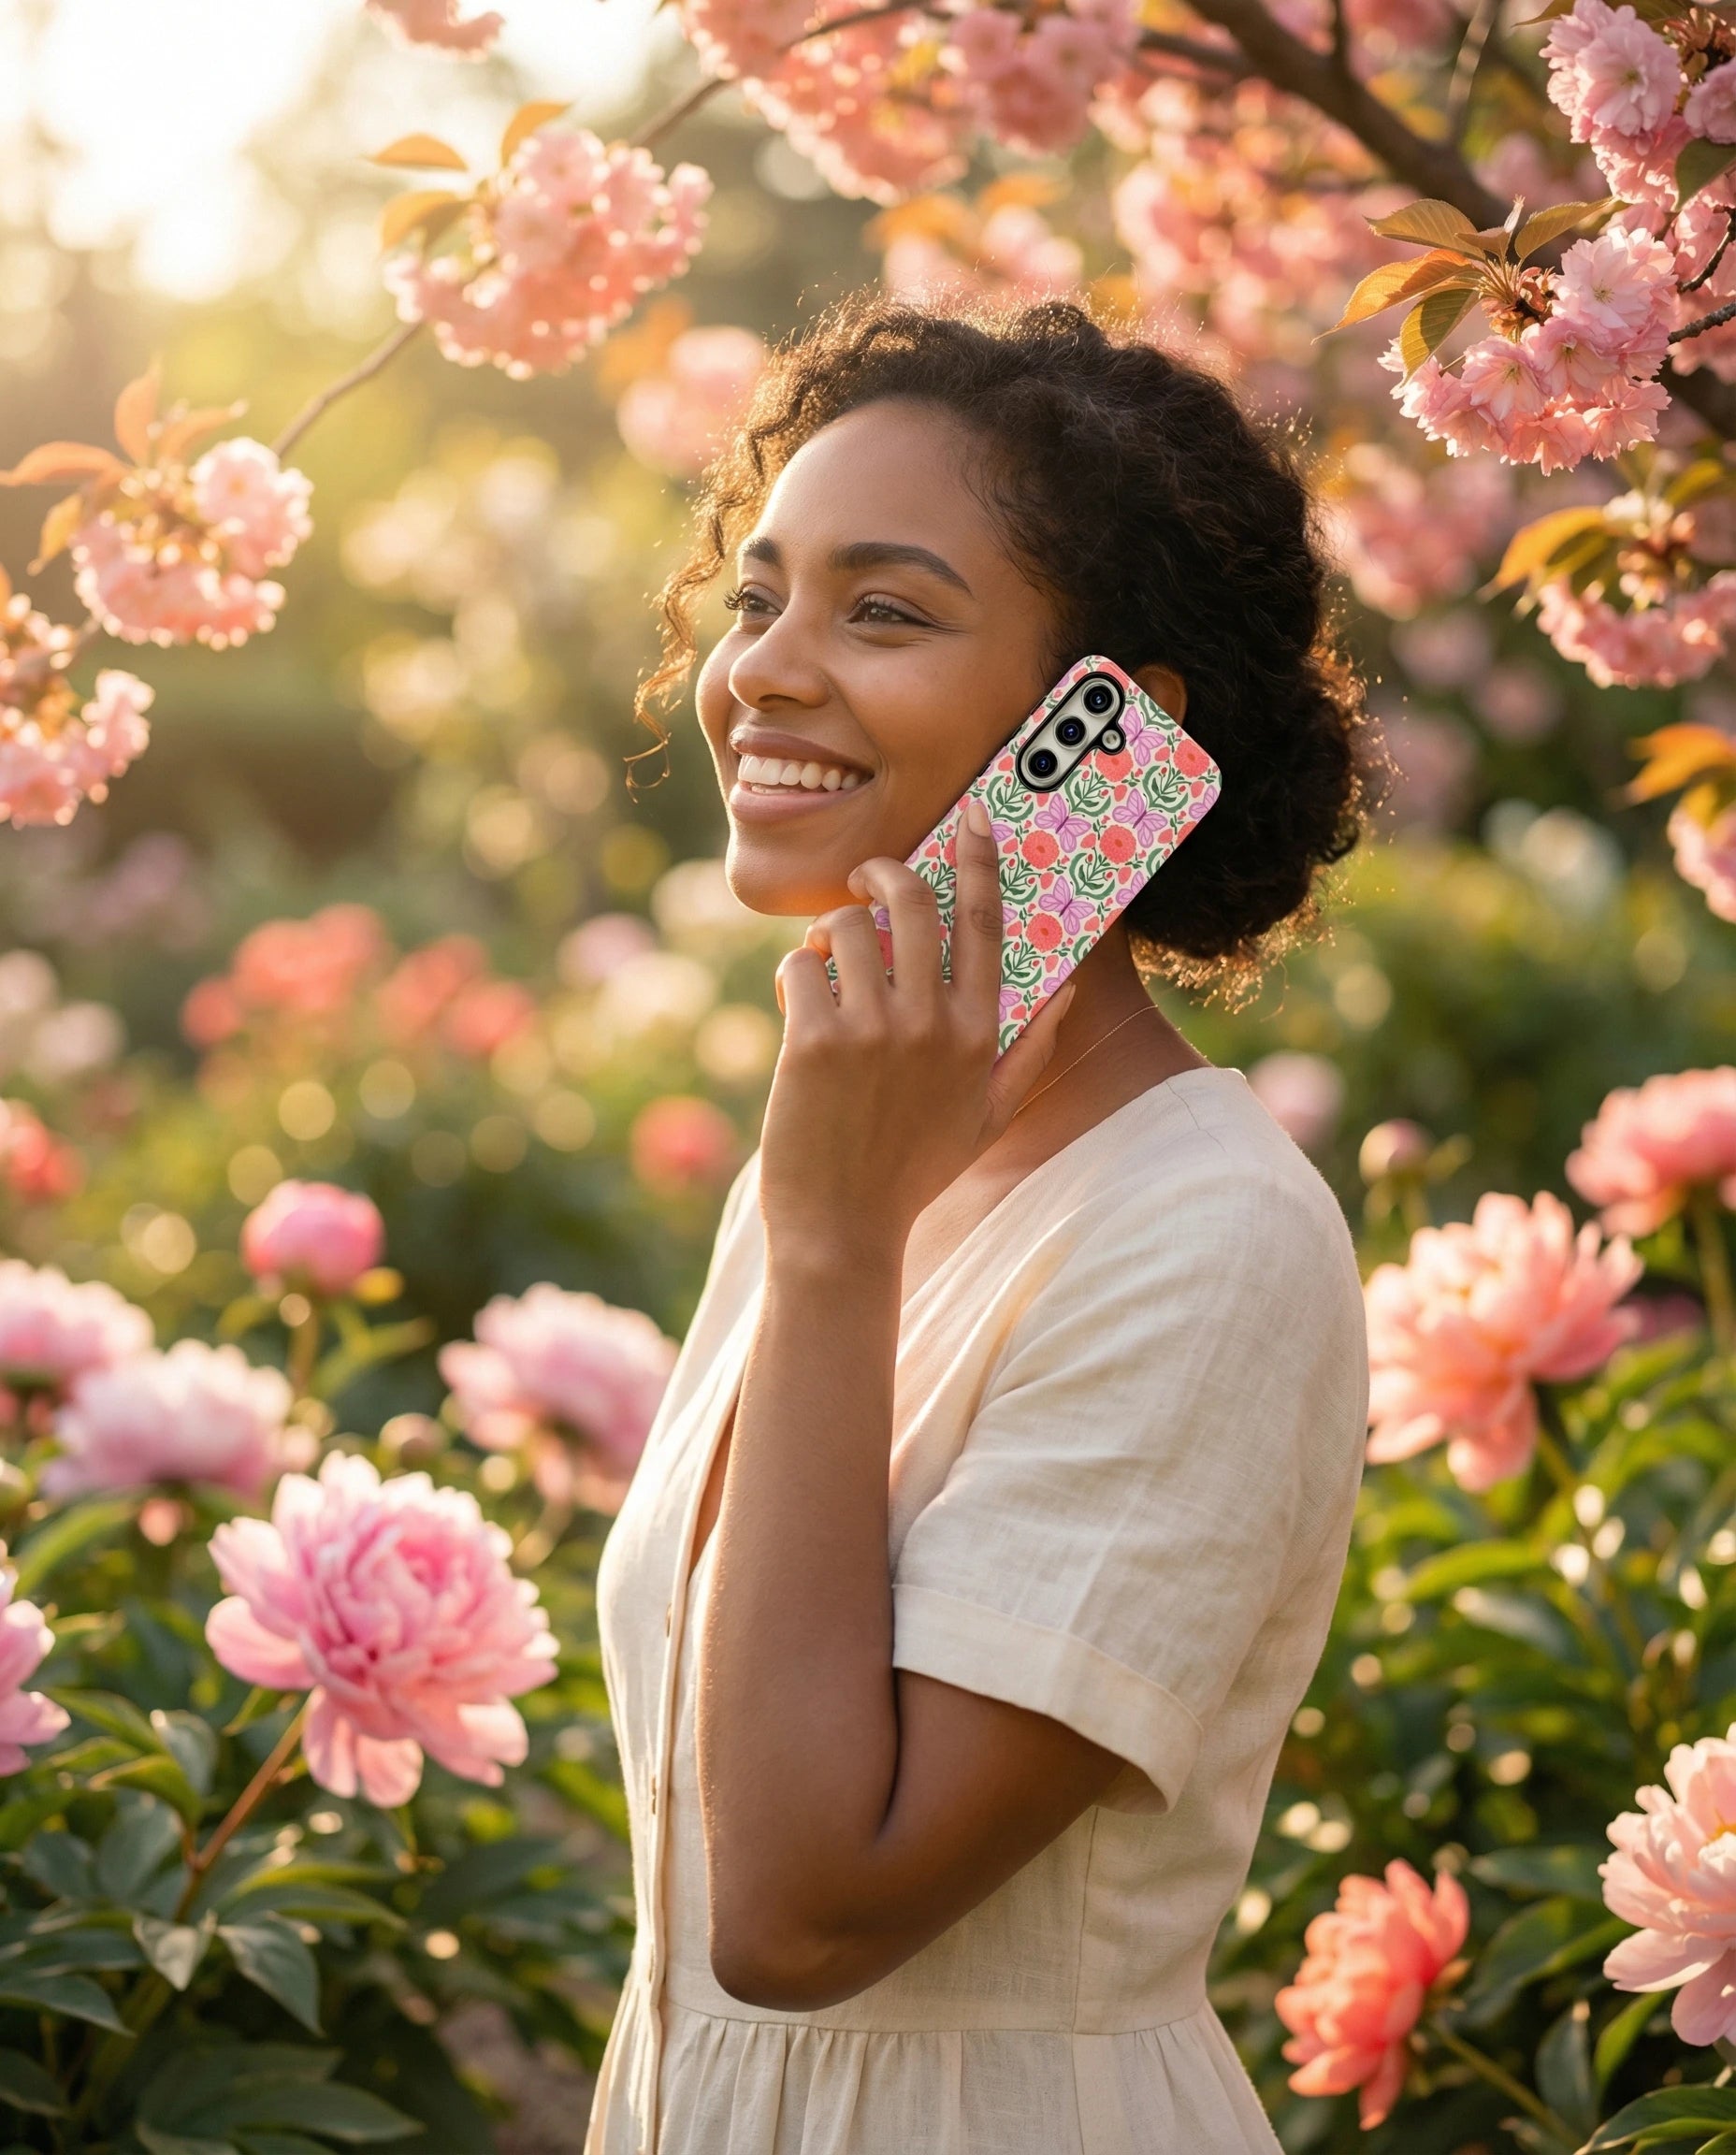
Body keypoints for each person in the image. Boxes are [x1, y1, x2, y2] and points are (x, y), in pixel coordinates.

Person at [586, 298, 1374, 2155]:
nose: (765, 668)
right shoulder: (848, 1156)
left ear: (1108, 737)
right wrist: (836, 1221)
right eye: (758, 594)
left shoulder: (1206, 1240)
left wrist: (840, 1242)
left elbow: (794, 1913)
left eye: (883, 608)